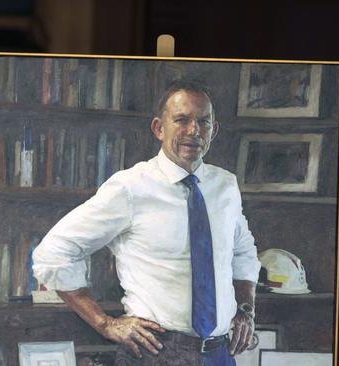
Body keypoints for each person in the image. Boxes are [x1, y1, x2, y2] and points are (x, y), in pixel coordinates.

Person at [33, 81, 260, 366]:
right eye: (181, 120)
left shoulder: (225, 186)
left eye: (203, 121)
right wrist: (104, 323)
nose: (193, 130)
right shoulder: (130, 187)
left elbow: (243, 252)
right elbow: (53, 253)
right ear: (159, 128)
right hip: (155, 353)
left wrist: (245, 310)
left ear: (213, 130)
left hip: (219, 354)